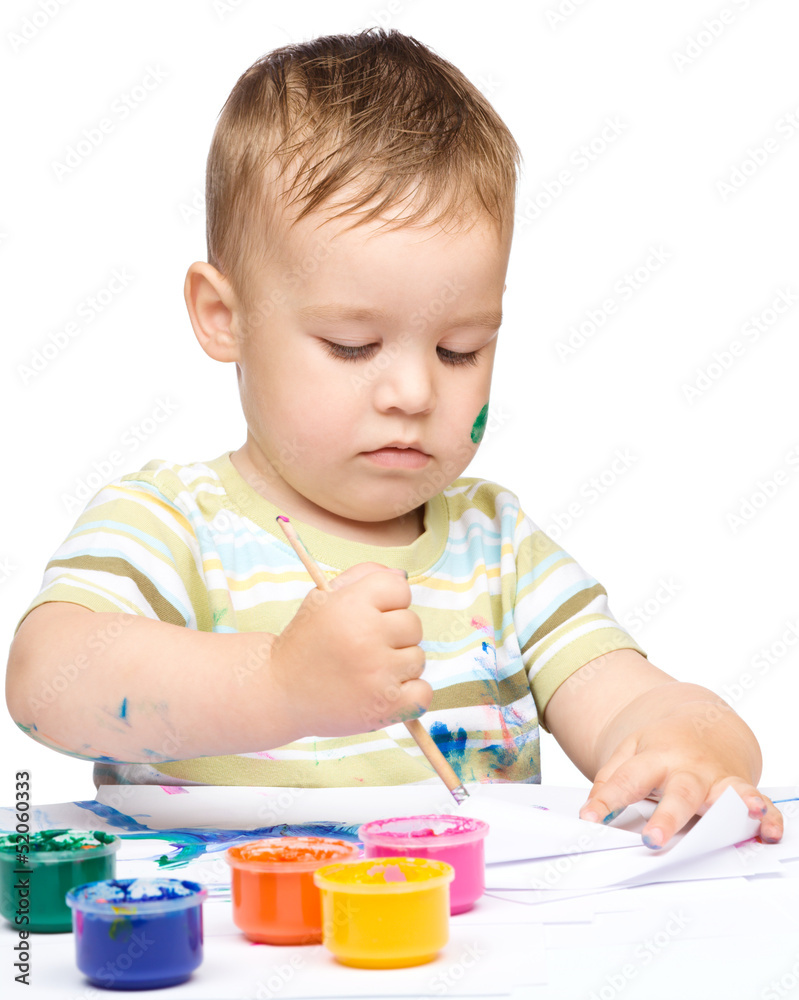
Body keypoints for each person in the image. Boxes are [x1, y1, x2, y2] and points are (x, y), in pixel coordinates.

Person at [6, 27, 782, 848]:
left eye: (459, 349)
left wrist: (688, 749)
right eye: (352, 345)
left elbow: (636, 699)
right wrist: (279, 685)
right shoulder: (171, 524)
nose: (414, 393)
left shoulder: (499, 552)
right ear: (224, 317)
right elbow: (43, 682)